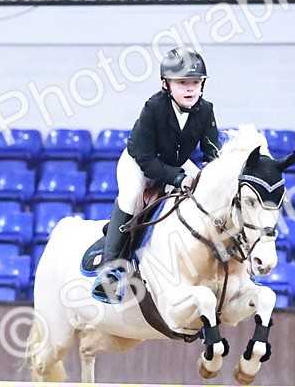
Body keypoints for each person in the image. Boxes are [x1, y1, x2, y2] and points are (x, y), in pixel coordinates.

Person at [91, 47, 221, 304]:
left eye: (195, 82)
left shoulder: (206, 110)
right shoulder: (153, 108)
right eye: (182, 82)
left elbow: (212, 153)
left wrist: (216, 178)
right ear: (166, 84)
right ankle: (109, 271)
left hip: (177, 163)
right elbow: (148, 160)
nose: (190, 89)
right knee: (129, 198)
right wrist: (177, 179)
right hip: (139, 164)